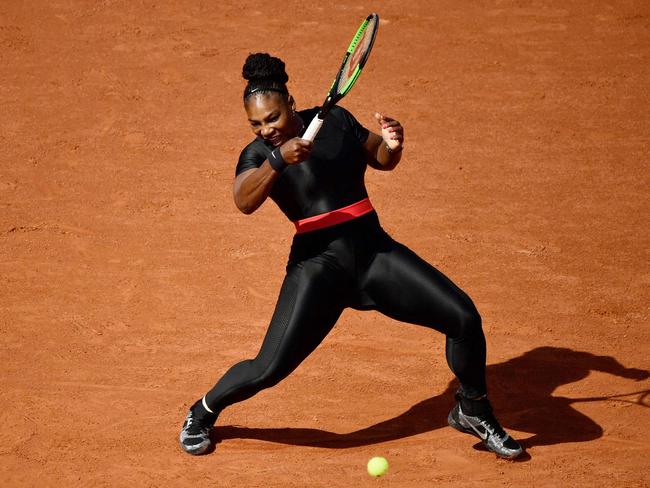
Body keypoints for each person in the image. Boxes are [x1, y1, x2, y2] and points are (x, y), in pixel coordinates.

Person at [179, 53, 523, 459]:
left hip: (375, 255)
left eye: (272, 118)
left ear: (290, 104)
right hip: (319, 269)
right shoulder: (257, 155)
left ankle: (473, 408)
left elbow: (380, 157)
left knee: (463, 318)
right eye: (256, 124)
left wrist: (394, 145)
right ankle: (202, 411)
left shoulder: (337, 120)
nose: (265, 130)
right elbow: (243, 200)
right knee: (267, 368)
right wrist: (278, 158)